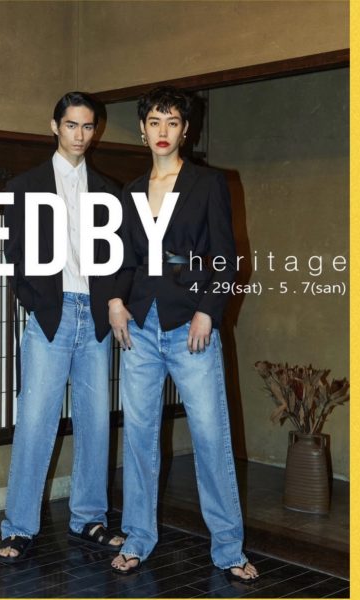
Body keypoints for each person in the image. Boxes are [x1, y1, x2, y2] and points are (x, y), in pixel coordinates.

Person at [107, 86, 259, 582]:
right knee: (139, 438)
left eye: (172, 122)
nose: (163, 131)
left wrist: (208, 313)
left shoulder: (208, 183)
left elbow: (226, 258)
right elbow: (122, 259)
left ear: (185, 130)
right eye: (154, 122)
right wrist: (114, 302)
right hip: (140, 328)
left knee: (211, 436)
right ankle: (137, 539)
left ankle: (229, 549)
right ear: (143, 129)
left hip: (191, 325)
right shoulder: (130, 192)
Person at [0, 91, 124, 562]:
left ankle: (89, 518)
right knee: (35, 421)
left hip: (94, 316)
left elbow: (118, 257)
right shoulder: (25, 186)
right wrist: (36, 304)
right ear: (55, 127)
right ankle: (19, 528)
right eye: (71, 125)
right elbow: (15, 256)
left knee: (95, 421)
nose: (80, 135)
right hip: (51, 314)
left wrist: (109, 306)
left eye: (88, 126)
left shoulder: (109, 191)